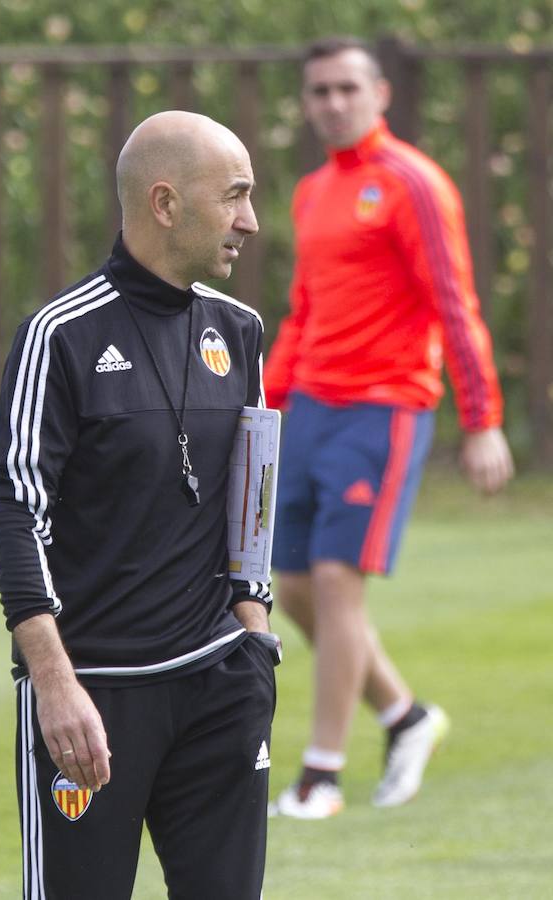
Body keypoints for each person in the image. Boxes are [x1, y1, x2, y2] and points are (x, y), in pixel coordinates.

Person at [0, 110, 282, 898]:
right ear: (164, 203)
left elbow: (252, 496)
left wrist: (254, 638)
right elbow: (17, 513)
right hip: (93, 698)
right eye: (234, 197)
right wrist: (53, 682)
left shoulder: (241, 331)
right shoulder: (59, 336)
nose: (250, 221)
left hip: (221, 685)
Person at [264, 38, 514, 819]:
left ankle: (321, 777)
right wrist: (266, 410)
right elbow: (304, 311)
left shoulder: (414, 183)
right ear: (306, 104)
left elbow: (455, 301)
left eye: (346, 88)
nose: (332, 103)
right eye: (319, 92)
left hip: (384, 406)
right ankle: (405, 716)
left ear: (380, 94)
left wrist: (482, 422)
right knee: (294, 586)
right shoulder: (311, 193)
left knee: (339, 582)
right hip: (310, 406)